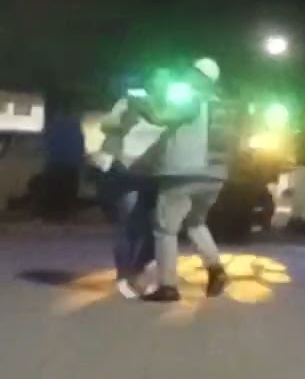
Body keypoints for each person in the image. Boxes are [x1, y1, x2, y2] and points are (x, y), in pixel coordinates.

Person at [142, 60, 238, 303]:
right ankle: (215, 269)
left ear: (201, 77)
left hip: (184, 173)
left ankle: (167, 286)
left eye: (193, 72)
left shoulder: (192, 99)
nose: (187, 75)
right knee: (195, 222)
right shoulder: (221, 105)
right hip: (214, 175)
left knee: (165, 228)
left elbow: (160, 117)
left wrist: (149, 98)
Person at [92, 89, 165, 298]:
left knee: (151, 228)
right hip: (128, 174)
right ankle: (125, 276)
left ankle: (138, 274)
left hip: (149, 174)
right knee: (130, 227)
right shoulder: (127, 106)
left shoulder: (162, 109)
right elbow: (108, 127)